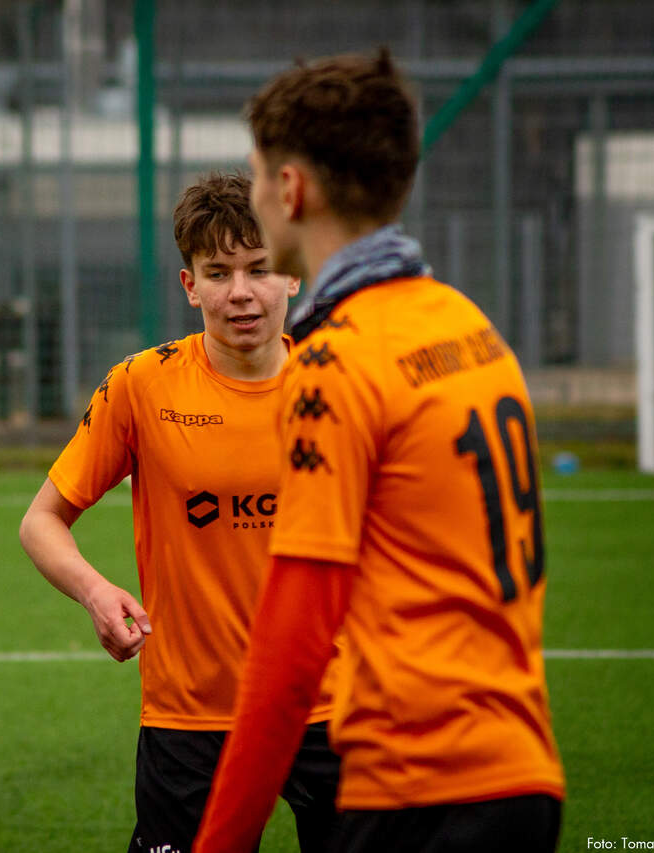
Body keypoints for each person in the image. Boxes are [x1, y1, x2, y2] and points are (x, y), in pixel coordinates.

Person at [193, 49, 565, 853]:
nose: (254, 194)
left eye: (256, 176)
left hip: (417, 789)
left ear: (291, 190)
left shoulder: (335, 363)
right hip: (523, 775)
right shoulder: (468, 325)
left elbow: (291, 651)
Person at [19, 172, 343, 853]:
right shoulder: (142, 384)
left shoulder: (342, 386)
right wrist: (96, 592)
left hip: (335, 706)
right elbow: (41, 521)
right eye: (218, 273)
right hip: (192, 716)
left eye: (259, 269)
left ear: (292, 274)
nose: (240, 292)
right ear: (190, 286)